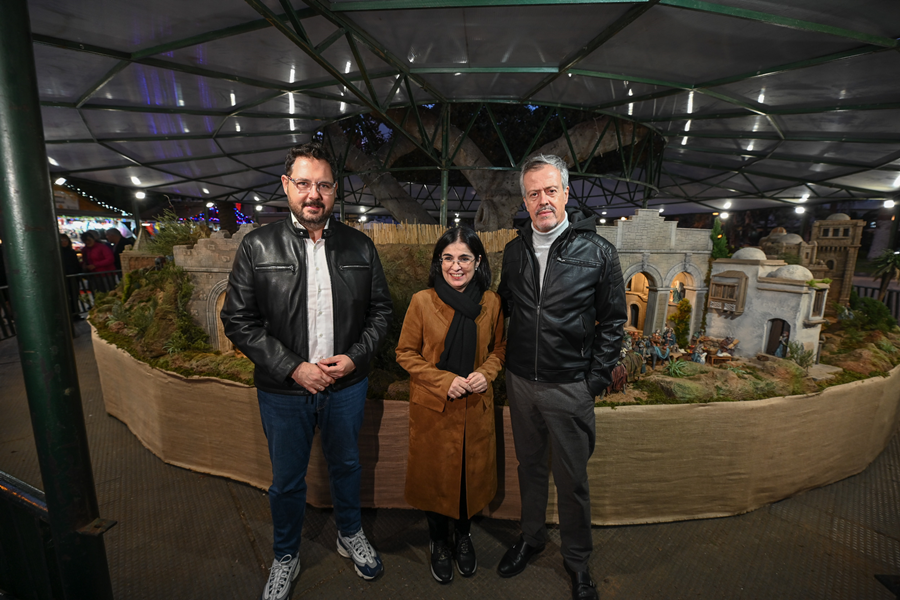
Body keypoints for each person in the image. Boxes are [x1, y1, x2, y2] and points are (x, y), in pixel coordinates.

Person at [220, 142, 392, 600]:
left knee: (347, 466)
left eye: (323, 185)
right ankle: (285, 555)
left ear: (335, 191)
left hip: (346, 385)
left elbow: (381, 312)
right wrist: (293, 368)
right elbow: (237, 320)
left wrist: (355, 357)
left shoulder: (360, 246)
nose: (313, 194)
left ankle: (349, 534)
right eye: (303, 184)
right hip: (283, 391)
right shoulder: (257, 245)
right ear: (286, 187)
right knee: (287, 480)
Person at [496, 154, 626, 600]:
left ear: (567, 193)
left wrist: (593, 381)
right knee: (530, 468)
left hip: (570, 386)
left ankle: (577, 562)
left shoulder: (599, 252)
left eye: (550, 190)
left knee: (572, 480)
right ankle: (531, 537)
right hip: (520, 383)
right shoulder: (513, 252)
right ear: (525, 200)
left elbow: (613, 323)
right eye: (533, 193)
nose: (542, 200)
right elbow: (506, 307)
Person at [395, 227, 506, 585]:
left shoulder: (491, 303)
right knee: (435, 480)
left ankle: (463, 537)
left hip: (475, 408)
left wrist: (485, 373)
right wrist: (446, 381)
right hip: (434, 408)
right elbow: (405, 353)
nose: (455, 266)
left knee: (466, 482)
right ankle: (439, 542)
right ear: (438, 261)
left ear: (478, 262)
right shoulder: (422, 301)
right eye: (448, 258)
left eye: (464, 258)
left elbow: (500, 351)